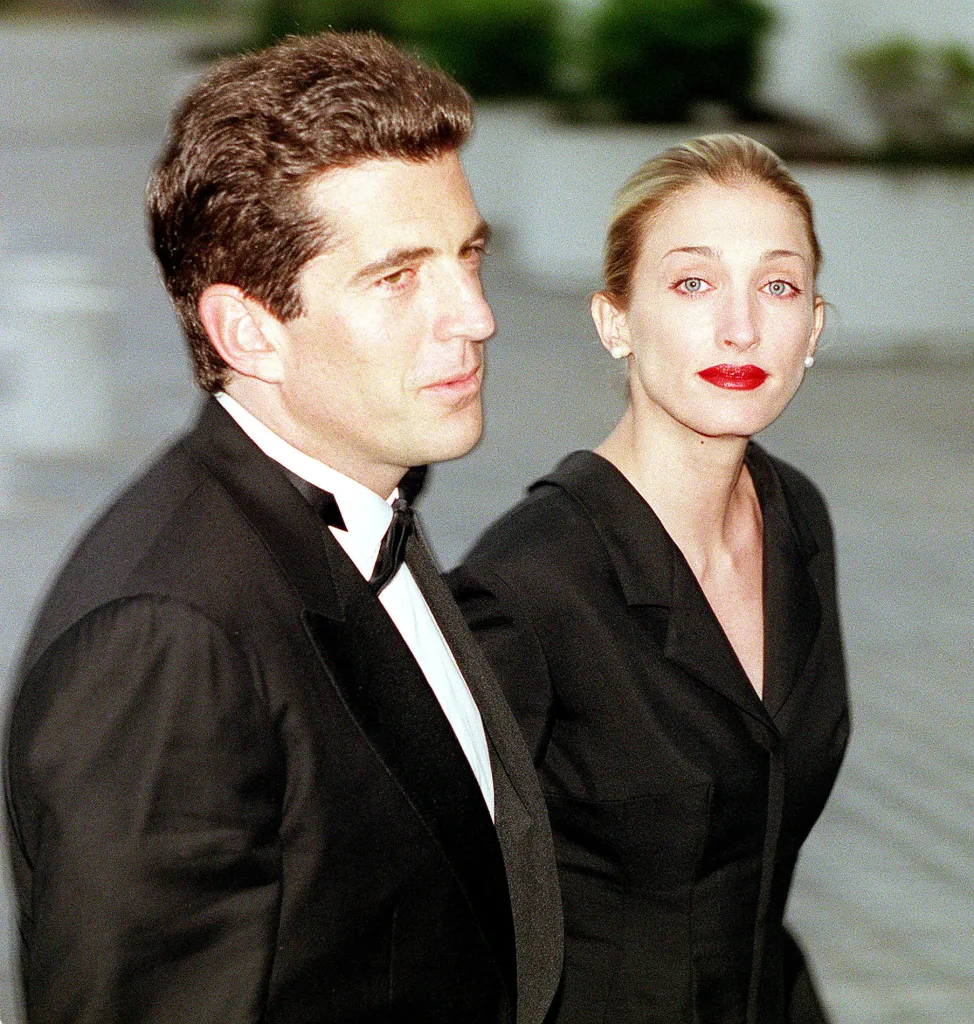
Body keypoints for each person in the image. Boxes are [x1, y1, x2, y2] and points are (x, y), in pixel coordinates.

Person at [4, 32, 562, 1023]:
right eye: (398, 277)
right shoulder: (161, 641)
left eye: (468, 255)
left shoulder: (367, 501)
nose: (475, 316)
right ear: (247, 331)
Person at [449, 134, 849, 1023]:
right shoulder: (526, 586)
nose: (741, 327)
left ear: (815, 328)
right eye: (693, 283)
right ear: (615, 321)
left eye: (778, 286)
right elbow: (428, 906)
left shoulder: (796, 518)